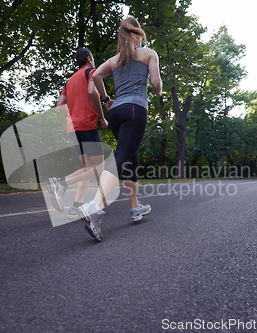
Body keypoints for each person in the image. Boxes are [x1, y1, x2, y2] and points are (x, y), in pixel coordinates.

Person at [77, 16, 163, 241]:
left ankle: (135, 207)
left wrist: (107, 99)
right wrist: (158, 92)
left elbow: (95, 75)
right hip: (135, 110)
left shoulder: (114, 60)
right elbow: (155, 84)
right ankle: (94, 206)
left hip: (116, 113)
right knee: (122, 155)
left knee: (130, 157)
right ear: (137, 33)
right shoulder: (148, 54)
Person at [46, 48, 111, 219]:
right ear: (89, 59)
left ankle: (76, 205)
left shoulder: (68, 82)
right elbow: (92, 92)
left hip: (72, 128)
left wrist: (73, 113)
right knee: (98, 168)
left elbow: (60, 106)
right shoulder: (91, 72)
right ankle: (60, 182)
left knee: (87, 168)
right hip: (87, 125)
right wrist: (102, 118)